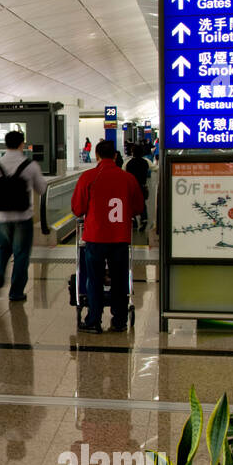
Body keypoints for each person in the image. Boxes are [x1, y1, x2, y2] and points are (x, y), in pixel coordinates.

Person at [71, 140, 143, 333]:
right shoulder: (128, 178)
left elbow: (77, 208)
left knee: (94, 279)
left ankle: (94, 319)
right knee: (120, 278)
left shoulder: (88, 177)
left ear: (96, 156)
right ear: (116, 156)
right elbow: (138, 207)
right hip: (120, 238)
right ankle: (119, 320)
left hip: (95, 237)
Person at [0, 130, 47, 301]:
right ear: (22, 144)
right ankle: (16, 292)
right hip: (23, 217)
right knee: (21, 255)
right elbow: (41, 189)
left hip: (3, 217)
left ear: (5, 144)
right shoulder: (30, 165)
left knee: (3, 250)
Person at [125, 142, 151, 232]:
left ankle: (134, 221)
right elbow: (155, 168)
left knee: (130, 203)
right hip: (142, 186)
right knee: (142, 203)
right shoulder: (146, 161)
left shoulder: (128, 163)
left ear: (132, 153)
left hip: (131, 187)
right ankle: (144, 219)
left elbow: (122, 171)